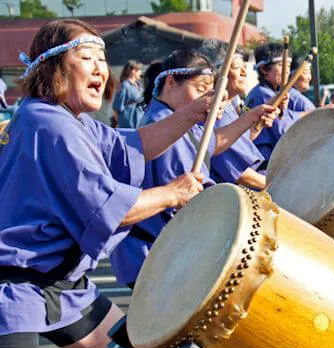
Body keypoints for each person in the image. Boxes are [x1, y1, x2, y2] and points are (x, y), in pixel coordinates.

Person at [0, 19, 220, 348]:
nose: (101, 68)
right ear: (53, 67)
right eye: (87, 57)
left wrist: (192, 113)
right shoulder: (49, 125)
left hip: (59, 282)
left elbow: (135, 145)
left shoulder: (72, 120)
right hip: (14, 284)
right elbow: (111, 208)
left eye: (103, 58)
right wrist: (173, 193)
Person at [109, 48, 277, 289]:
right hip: (152, 255)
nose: (204, 97)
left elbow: (211, 143)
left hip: (167, 249)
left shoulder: (176, 118)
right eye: (199, 89)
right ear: (170, 82)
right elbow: (186, 196)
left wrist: (252, 118)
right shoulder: (163, 124)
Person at [210, 51, 267, 190]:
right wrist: (277, 184)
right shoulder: (217, 114)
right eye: (237, 67)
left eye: (244, 68)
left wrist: (259, 124)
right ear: (219, 74)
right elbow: (240, 174)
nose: (244, 73)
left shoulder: (229, 107)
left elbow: (241, 143)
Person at [245, 42, 296, 171]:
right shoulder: (263, 95)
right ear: (263, 69)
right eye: (281, 65)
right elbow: (284, 133)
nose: (286, 70)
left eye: (288, 65)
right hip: (263, 167)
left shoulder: (270, 93)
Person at [112, 60, 144, 128]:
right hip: (128, 125)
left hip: (140, 124)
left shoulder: (139, 85)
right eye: (139, 70)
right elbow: (116, 108)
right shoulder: (125, 85)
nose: (140, 72)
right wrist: (119, 124)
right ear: (133, 71)